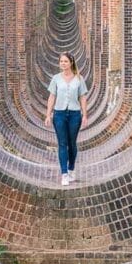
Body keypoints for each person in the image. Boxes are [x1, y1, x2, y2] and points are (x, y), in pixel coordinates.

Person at [45, 52, 88, 186]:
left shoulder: (79, 79)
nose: (63, 64)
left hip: (75, 114)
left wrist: (85, 115)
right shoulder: (56, 79)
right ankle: (64, 173)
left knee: (72, 143)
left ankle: (71, 169)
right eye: (61, 61)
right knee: (62, 143)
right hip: (59, 114)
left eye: (65, 61)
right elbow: (52, 97)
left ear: (71, 63)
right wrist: (48, 114)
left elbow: (82, 97)